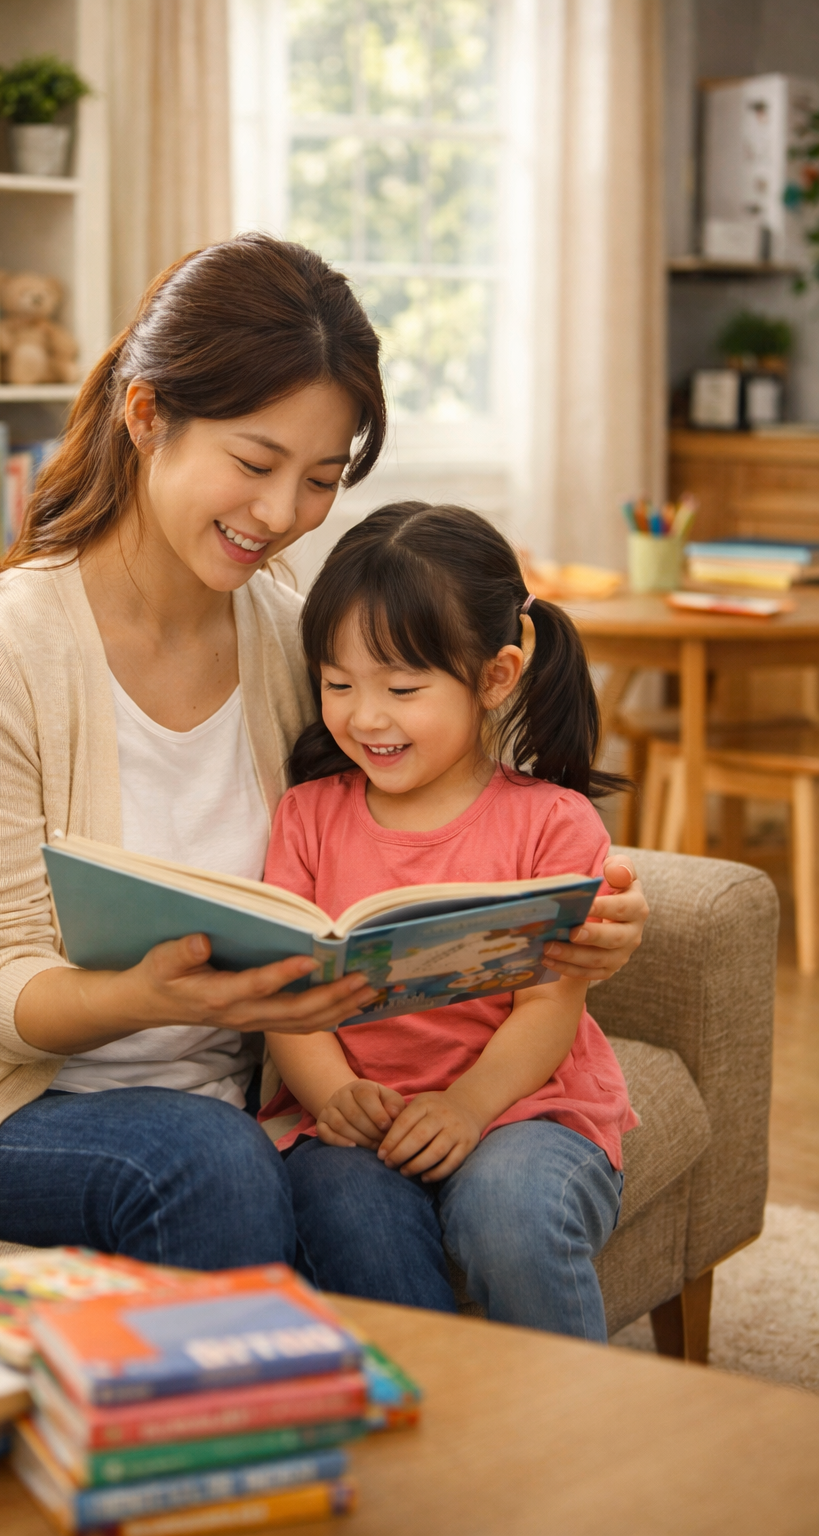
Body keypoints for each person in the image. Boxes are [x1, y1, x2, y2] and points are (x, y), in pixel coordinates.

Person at [0, 236, 648, 1280]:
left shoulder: (293, 641)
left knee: (298, 1170)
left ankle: (425, 1390)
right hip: (4, 1106)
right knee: (214, 1161)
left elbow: (434, 813)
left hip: (246, 1096)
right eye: (255, 465)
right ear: (146, 417)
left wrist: (581, 927)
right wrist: (167, 997)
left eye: (320, 479)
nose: (280, 516)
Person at [260, 503, 639, 1341]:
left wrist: (467, 1108)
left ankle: (569, 1417)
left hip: (525, 1108)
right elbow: (285, 992)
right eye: (338, 684)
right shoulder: (306, 817)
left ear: (495, 678)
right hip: (353, 1113)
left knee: (511, 1210)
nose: (366, 717)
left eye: (402, 689)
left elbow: (550, 1007)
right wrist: (334, 1096)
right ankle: (437, 1414)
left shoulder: (553, 825)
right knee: (344, 1210)